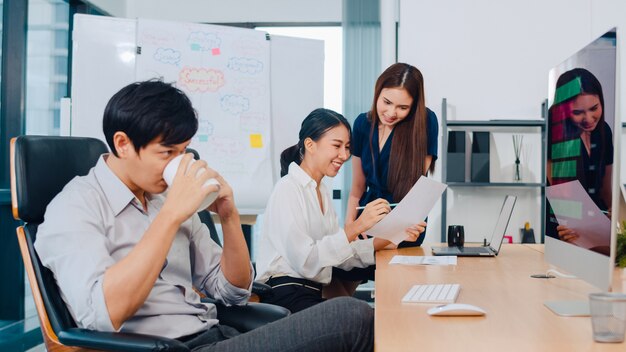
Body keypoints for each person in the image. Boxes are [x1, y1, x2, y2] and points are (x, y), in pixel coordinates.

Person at [35, 81, 374, 351]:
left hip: (213, 333)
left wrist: (228, 215)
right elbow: (102, 315)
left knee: (361, 321)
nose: (177, 163)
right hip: (166, 347)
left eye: (182, 152)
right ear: (123, 144)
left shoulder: (163, 196)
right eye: (167, 153)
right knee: (352, 316)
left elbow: (232, 290)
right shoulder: (74, 208)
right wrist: (170, 216)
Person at [255, 108, 425, 313]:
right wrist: (359, 225)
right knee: (363, 316)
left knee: (377, 316)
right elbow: (307, 262)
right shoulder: (288, 189)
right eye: (336, 146)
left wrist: (394, 235)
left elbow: (342, 254)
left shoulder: (321, 191)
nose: (344, 155)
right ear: (310, 145)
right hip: (286, 296)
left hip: (309, 292)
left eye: (347, 147)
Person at [330, 63, 438, 296]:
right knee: (334, 275)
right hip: (367, 217)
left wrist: (401, 227)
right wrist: (350, 227)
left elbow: (417, 190)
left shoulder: (425, 122)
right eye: (386, 102)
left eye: (402, 107)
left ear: (414, 106)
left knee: (394, 291)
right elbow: (357, 188)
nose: (391, 113)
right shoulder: (362, 124)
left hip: (405, 221)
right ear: (377, 93)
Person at [546, 68, 613, 254]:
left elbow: (607, 192)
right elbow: (565, 201)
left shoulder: (604, 131)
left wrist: (614, 217)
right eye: (578, 112)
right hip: (565, 230)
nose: (589, 119)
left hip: (596, 232)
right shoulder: (555, 134)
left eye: (594, 108)